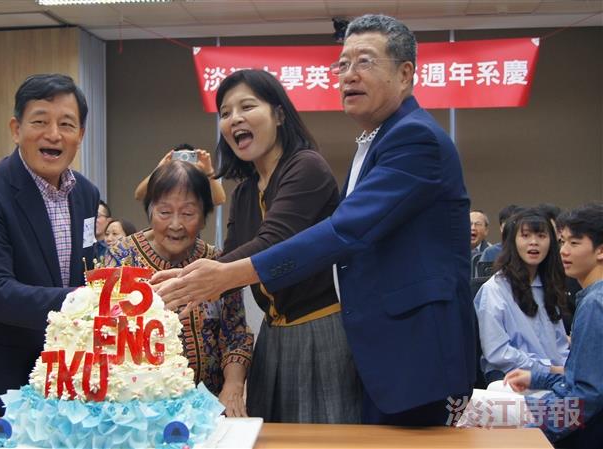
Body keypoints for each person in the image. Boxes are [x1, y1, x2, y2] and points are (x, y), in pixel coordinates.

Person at [154, 14, 475, 426]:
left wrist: (221, 277)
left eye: (364, 62)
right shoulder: (377, 139)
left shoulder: (415, 139)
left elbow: (345, 231)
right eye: (342, 64)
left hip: (415, 348)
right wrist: (190, 280)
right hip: (367, 343)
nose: (348, 75)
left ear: (405, 73)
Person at [0, 74, 99, 416]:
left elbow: (86, 269)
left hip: (61, 383)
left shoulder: (86, 195)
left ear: (80, 135)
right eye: (40, 121)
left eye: (67, 124)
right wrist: (82, 301)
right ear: (16, 129)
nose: (53, 134)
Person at [105, 161, 253, 417]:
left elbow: (235, 334)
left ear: (205, 216)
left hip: (207, 408)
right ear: (150, 211)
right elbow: (104, 333)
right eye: (164, 213)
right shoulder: (122, 258)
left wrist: (233, 385)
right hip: (136, 412)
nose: (176, 224)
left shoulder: (217, 262)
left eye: (187, 214)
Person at [505, 203, 603, 447]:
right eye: (562, 242)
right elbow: (581, 377)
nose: (563, 251)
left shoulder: (594, 304)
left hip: (583, 431)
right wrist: (537, 377)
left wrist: (530, 436)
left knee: (482, 414)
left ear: (600, 251)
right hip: (575, 412)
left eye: (574, 243)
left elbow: (586, 396)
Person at [474, 209, 569, 384]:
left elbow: (560, 345)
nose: (534, 242)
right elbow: (497, 353)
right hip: (511, 379)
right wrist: (550, 369)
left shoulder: (549, 285)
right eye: (525, 236)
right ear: (513, 242)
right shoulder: (495, 289)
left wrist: (567, 369)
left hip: (553, 378)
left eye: (541, 236)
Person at [134, 144, 226, 206]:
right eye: (180, 156)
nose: (184, 160)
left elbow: (219, 200)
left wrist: (208, 170)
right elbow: (139, 195)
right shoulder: (164, 181)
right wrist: (159, 168)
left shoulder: (198, 182)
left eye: (188, 157)